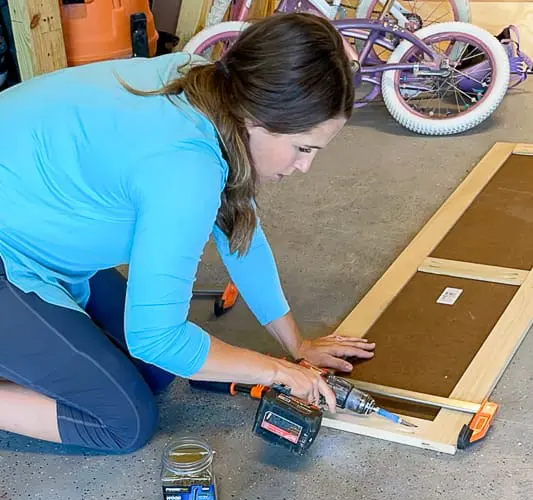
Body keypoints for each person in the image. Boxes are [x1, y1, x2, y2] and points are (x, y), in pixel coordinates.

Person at [0, 12, 374, 454]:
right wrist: (279, 373)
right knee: (124, 421)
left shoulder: (208, 85)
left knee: (155, 373)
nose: (304, 166)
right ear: (260, 118)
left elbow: (241, 233)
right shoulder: (186, 169)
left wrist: (299, 346)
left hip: (35, 234)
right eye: (303, 148)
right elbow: (157, 337)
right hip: (11, 250)